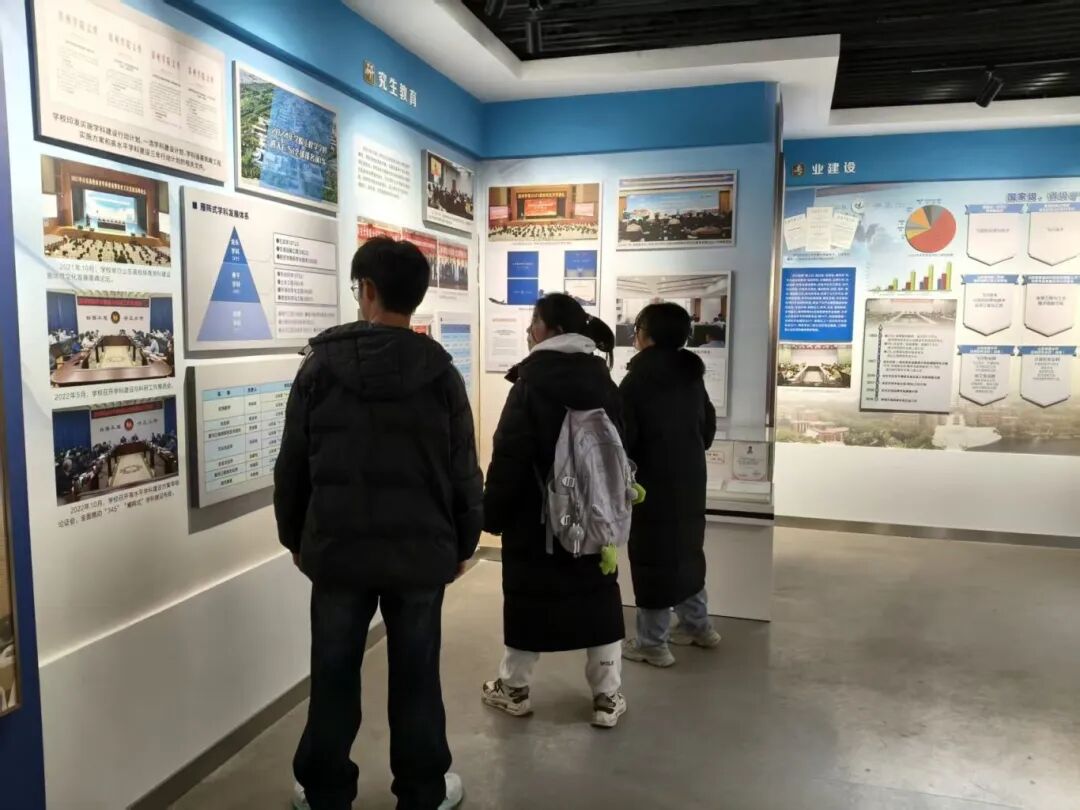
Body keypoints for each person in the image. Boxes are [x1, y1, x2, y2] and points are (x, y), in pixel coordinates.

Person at [274, 236, 483, 810]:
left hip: (337, 551)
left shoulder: (319, 368)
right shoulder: (441, 373)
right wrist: (465, 542)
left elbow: (293, 465)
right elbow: (463, 468)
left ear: (366, 290)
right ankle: (422, 790)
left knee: (332, 672)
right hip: (421, 553)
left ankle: (324, 791)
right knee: (417, 674)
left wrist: (295, 538)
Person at [481, 293, 628, 728]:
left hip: (536, 519)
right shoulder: (604, 382)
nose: (530, 330)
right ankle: (607, 696)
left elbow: (509, 455)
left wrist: (492, 515)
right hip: (595, 516)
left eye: (536, 322)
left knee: (529, 601)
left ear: (556, 331)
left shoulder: (529, 385)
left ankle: (514, 689)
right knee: (599, 599)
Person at [619, 302, 720, 669]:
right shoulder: (692, 377)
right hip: (690, 480)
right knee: (689, 553)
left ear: (646, 335)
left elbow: (623, 439)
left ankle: (652, 644)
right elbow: (707, 430)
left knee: (653, 560)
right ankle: (699, 627)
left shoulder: (636, 381)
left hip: (651, 485)